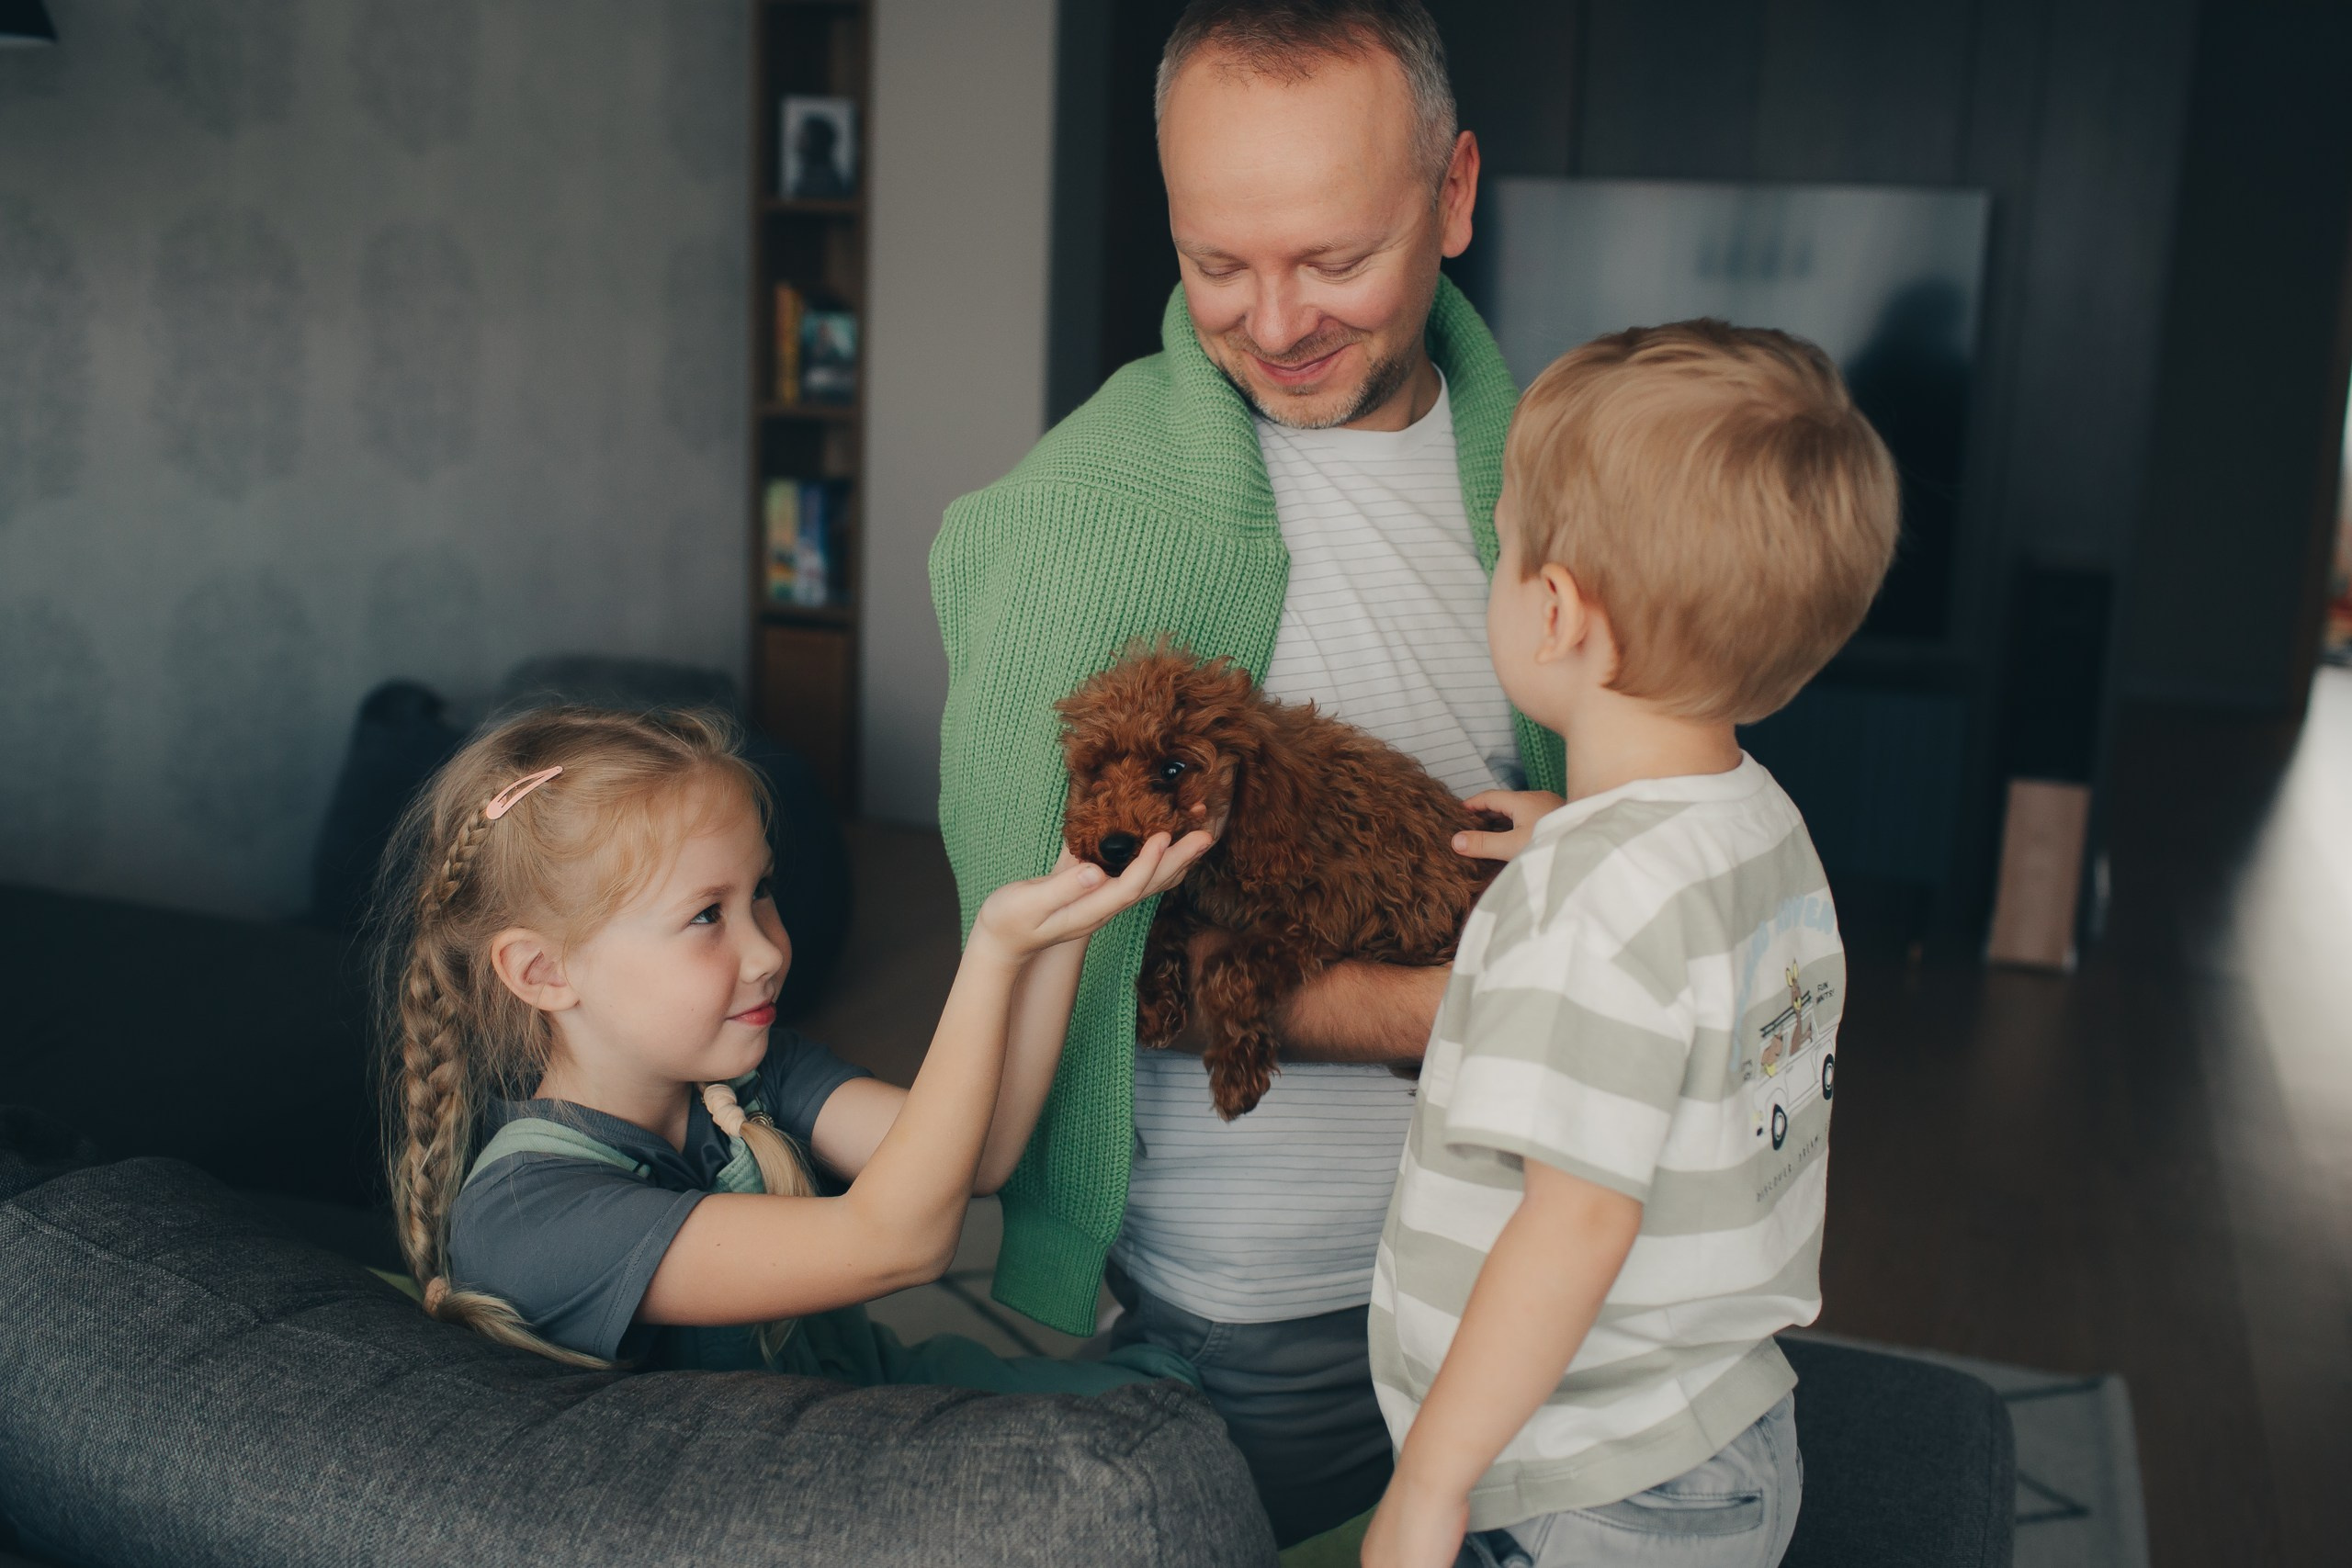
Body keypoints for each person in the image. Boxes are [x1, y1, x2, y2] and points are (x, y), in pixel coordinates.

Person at [930, 0, 1561, 1542]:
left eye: (1335, 259)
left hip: (1554, 1245)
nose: (1274, 322)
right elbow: (1097, 960)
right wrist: (1462, 1010)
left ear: (1457, 196)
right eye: (1218, 263)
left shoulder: (1570, 480)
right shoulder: (1083, 534)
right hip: (1282, 1301)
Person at [1359, 321, 1899, 1568]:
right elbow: (1694, 952)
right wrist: (1575, 832)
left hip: (1581, 1485)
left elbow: (1578, 1221)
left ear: (1554, 612)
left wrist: (1433, 1483)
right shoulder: (1760, 827)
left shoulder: (1591, 908)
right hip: (1722, 1429)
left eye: (1502, 553)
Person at [376, 703, 1212, 1386]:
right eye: (707, 915)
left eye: (761, 891)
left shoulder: (747, 1071)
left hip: (860, 1392)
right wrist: (990, 955)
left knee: (1163, 1398)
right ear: (542, 970)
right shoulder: (532, 1216)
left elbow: (980, 1155)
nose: (771, 949)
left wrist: (1070, 921)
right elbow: (898, 1241)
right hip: (776, 1493)